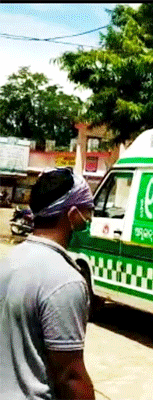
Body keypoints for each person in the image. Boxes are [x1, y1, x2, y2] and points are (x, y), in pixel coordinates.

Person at [0, 167, 95, 399]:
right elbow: (70, 375)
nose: (89, 219)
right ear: (73, 214)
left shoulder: (9, 260)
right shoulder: (65, 281)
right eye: (88, 211)